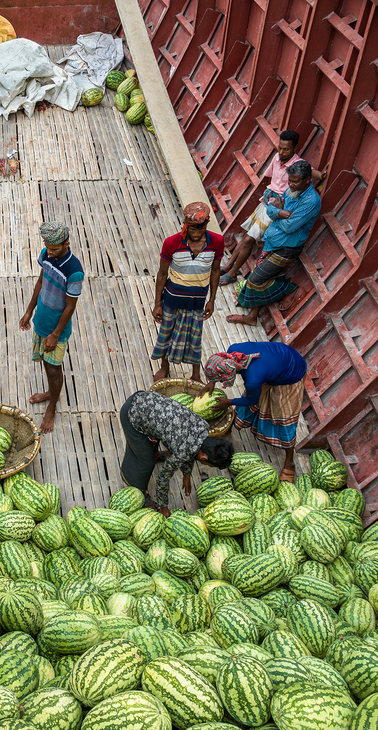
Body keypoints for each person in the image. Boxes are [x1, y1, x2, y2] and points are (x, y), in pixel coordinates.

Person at [220, 130, 322, 287]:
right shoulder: (276, 157)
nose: (281, 152)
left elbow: (312, 173)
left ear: (294, 148)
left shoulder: (297, 166)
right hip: (268, 202)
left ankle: (232, 273)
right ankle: (228, 267)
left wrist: (321, 176)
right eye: (280, 148)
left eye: (286, 149)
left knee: (249, 239)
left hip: (278, 204)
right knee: (248, 235)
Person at [228, 160, 322, 327]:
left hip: (286, 248)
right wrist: (279, 211)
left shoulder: (311, 201)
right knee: (264, 276)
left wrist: (275, 212)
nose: (290, 184)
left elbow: (289, 226)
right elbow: (271, 207)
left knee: (255, 280)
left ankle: (289, 288)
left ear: (308, 180)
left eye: (295, 181)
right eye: (290, 180)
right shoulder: (291, 190)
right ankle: (252, 316)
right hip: (273, 241)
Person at [119, 390, 235, 516]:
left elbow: (192, 448)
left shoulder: (203, 427)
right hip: (132, 415)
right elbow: (162, 478)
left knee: (160, 435)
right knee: (145, 461)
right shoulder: (182, 452)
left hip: (146, 399)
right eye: (209, 464)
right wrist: (163, 507)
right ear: (204, 457)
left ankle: (156, 454)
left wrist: (186, 474)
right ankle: (141, 492)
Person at [202, 343, 307, 481]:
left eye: (220, 379)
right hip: (279, 359)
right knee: (251, 397)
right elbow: (220, 367)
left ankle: (290, 462)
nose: (220, 381)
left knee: (284, 420)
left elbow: (250, 400)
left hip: (292, 373)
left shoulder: (253, 379)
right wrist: (212, 381)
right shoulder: (233, 351)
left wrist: (228, 402)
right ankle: (230, 427)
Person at [20, 221, 84, 433]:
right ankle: (50, 392)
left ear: (66, 243)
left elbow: (70, 307)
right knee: (46, 365)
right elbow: (40, 282)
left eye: (55, 249)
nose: (50, 252)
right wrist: (29, 311)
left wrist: (55, 334)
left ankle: (52, 406)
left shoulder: (74, 272)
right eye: (48, 247)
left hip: (57, 330)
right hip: (41, 321)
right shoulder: (47, 255)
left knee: (54, 368)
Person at [151, 202, 223, 383]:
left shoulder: (217, 242)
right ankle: (164, 367)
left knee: (195, 338)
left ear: (207, 224)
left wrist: (212, 300)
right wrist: (157, 303)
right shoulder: (172, 243)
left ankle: (196, 374)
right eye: (192, 229)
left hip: (197, 302)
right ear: (185, 225)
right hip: (172, 300)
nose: (197, 233)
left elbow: (215, 271)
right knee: (166, 333)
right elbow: (162, 274)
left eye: (200, 228)